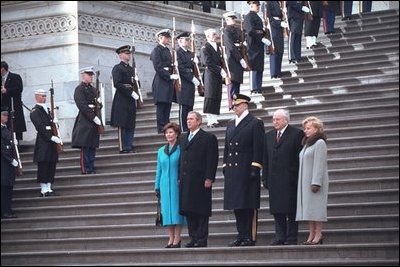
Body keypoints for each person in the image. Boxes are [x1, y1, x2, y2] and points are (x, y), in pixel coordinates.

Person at [223, 94, 265, 247]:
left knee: (248, 204)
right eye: (234, 106)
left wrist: (256, 166)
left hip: (247, 168)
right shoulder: (231, 124)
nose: (235, 108)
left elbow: (258, 146)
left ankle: (249, 236)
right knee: (237, 205)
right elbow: (227, 147)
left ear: (245, 105)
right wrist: (225, 165)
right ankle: (241, 234)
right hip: (234, 170)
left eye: (238, 105)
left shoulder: (255, 123)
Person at [262, 109, 304, 245]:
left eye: (278, 119)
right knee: (277, 210)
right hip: (273, 179)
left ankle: (291, 237)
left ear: (286, 120)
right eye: (273, 119)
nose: (275, 122)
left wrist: (297, 176)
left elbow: (299, 158)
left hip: (290, 179)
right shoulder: (268, 136)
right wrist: (265, 178)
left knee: (291, 210)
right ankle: (280, 236)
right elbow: (265, 158)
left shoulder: (297, 134)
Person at [179, 111, 219, 248]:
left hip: (201, 180)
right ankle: (193, 237)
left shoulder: (208, 137)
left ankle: (201, 239)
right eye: (187, 119)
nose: (188, 121)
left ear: (199, 121)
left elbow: (212, 159)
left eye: (191, 119)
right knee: (189, 210)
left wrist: (209, 177)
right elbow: (181, 160)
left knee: (201, 210)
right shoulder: (183, 138)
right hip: (186, 180)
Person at [297, 116, 329, 245]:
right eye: (305, 128)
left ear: (316, 129)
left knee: (316, 208)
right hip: (305, 182)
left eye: (308, 128)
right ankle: (311, 232)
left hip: (315, 182)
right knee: (309, 209)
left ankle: (318, 233)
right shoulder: (307, 143)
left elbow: (320, 163)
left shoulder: (319, 143)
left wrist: (316, 182)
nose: (305, 130)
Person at [154, 122, 186, 248]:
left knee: (177, 211)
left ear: (176, 134)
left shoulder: (181, 148)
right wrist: (157, 185)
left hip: (176, 184)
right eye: (166, 133)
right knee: (167, 212)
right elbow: (159, 169)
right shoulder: (161, 150)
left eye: (171, 132)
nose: (168, 135)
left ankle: (177, 238)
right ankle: (170, 237)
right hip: (164, 185)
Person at [30, 89, 60, 197]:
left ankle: (49, 187)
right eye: (42, 96)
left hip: (51, 141)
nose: (44, 98)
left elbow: (51, 126)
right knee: (43, 165)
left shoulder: (47, 109)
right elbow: (40, 127)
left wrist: (55, 122)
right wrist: (51, 137)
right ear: (36, 97)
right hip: (43, 141)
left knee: (51, 164)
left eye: (45, 96)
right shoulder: (35, 111)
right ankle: (43, 189)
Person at [71, 67, 101, 175]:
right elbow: (82, 105)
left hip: (94, 118)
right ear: (83, 75)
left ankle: (91, 166)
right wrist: (93, 117)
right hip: (85, 119)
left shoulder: (93, 89)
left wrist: (99, 104)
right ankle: (86, 168)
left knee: (92, 144)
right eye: (89, 75)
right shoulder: (79, 89)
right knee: (85, 145)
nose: (91, 77)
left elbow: (97, 104)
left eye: (91, 75)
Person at [111, 45, 138, 153]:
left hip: (131, 98)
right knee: (122, 123)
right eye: (126, 53)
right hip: (122, 98)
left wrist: (136, 83)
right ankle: (123, 147)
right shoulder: (117, 68)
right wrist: (130, 92)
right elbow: (117, 84)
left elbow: (135, 84)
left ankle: (129, 144)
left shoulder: (131, 69)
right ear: (121, 55)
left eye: (129, 53)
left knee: (130, 122)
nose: (129, 55)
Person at [150, 29, 178, 134]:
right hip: (161, 81)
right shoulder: (156, 50)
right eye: (166, 37)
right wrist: (169, 76)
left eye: (168, 38)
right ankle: (161, 128)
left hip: (167, 81)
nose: (168, 39)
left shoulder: (166, 50)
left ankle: (166, 126)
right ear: (160, 38)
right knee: (162, 106)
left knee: (167, 106)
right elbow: (158, 67)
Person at [223, 11, 248, 109]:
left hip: (239, 56)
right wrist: (240, 58)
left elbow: (242, 39)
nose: (234, 20)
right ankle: (231, 104)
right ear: (227, 20)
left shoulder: (237, 30)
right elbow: (231, 46)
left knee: (237, 82)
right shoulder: (226, 31)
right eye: (232, 18)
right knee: (232, 83)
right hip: (232, 59)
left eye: (234, 18)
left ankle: (236, 102)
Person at [244, 1, 270, 94]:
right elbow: (250, 30)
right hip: (253, 45)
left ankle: (258, 86)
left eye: (259, 5)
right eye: (256, 5)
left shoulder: (257, 17)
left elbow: (260, 30)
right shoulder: (249, 17)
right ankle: (254, 87)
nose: (258, 7)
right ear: (251, 5)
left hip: (259, 45)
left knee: (259, 66)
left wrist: (264, 33)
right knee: (254, 66)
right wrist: (261, 35)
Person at [201, 28, 225, 128]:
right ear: (208, 36)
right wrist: (219, 69)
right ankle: (210, 121)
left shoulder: (218, 46)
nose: (216, 36)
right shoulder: (205, 47)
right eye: (214, 34)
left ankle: (215, 119)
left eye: (215, 34)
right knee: (210, 97)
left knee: (216, 96)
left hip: (217, 75)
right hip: (210, 74)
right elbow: (207, 62)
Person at [176, 32, 199, 133]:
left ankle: (190, 127)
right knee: (184, 106)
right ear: (180, 41)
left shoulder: (190, 53)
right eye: (186, 40)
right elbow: (180, 68)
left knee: (190, 106)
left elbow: (193, 67)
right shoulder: (178, 52)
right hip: (183, 81)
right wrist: (191, 77)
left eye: (188, 40)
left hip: (190, 82)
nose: (188, 42)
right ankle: (183, 129)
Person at [1, 61, 26, 141]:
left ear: (2, 69)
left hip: (13, 106)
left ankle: (17, 143)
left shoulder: (15, 77)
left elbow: (19, 89)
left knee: (15, 126)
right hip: (3, 107)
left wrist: (7, 90)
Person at [1, 107, 18, 218]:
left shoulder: (6, 129)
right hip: (3, 163)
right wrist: (10, 159)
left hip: (7, 164)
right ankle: (4, 211)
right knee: (4, 188)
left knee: (8, 187)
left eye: (7, 115)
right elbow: (2, 147)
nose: (6, 117)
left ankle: (8, 209)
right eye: (4, 115)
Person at [267, 1, 287, 79]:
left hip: (279, 27)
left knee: (280, 50)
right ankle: (274, 72)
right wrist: (279, 23)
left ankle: (278, 71)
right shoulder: (270, 3)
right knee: (274, 49)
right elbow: (270, 18)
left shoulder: (279, 3)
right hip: (274, 27)